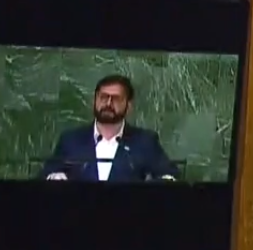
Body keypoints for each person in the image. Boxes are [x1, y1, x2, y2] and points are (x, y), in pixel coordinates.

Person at [41, 75, 179, 183]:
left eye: (116, 99)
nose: (108, 104)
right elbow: (47, 174)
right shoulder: (71, 140)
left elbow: (169, 176)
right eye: (103, 97)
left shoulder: (145, 141)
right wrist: (54, 177)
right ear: (94, 101)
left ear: (129, 106)